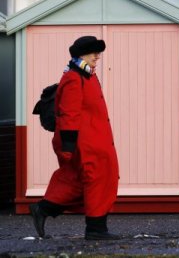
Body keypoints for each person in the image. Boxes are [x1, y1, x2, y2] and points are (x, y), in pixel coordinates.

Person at [29, 35, 120, 240]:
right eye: (93, 52)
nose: (97, 56)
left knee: (83, 180)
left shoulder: (87, 75)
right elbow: (69, 113)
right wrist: (69, 146)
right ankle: (96, 229)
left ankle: (43, 209)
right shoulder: (73, 77)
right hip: (83, 143)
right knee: (96, 179)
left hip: (94, 140)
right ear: (81, 55)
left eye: (98, 52)